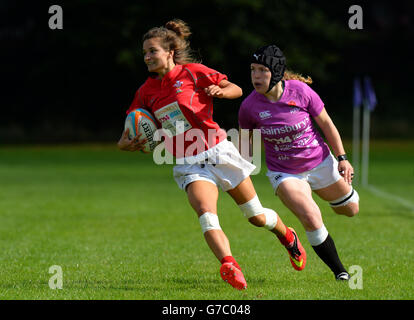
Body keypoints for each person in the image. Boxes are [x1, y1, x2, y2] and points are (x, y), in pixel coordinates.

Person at [118, 21, 307, 290]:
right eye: (145, 53)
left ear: (170, 52)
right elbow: (129, 129)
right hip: (189, 162)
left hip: (219, 151)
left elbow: (237, 89)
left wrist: (221, 91)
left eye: (153, 51)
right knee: (206, 213)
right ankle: (229, 264)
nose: (147, 57)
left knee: (255, 216)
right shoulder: (145, 92)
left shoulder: (193, 73)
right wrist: (127, 144)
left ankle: (288, 236)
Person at [239, 45, 360, 281]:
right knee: (311, 217)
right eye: (252, 70)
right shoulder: (249, 107)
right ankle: (341, 272)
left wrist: (343, 158)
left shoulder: (301, 92)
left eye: (262, 70)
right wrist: (237, 166)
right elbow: (245, 145)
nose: (255, 76)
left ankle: (332, 198)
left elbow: (326, 124)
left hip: (321, 163)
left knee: (351, 209)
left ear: (275, 72)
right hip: (285, 174)